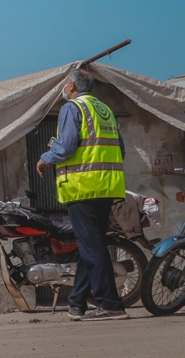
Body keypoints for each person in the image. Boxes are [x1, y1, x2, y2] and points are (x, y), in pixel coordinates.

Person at [37, 68, 128, 321]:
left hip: (82, 187)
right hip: (107, 186)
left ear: (73, 87)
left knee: (91, 247)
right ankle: (77, 302)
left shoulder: (72, 108)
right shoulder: (104, 110)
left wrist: (44, 158)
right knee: (91, 245)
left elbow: (65, 147)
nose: (64, 88)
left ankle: (111, 303)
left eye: (66, 84)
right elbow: (120, 150)